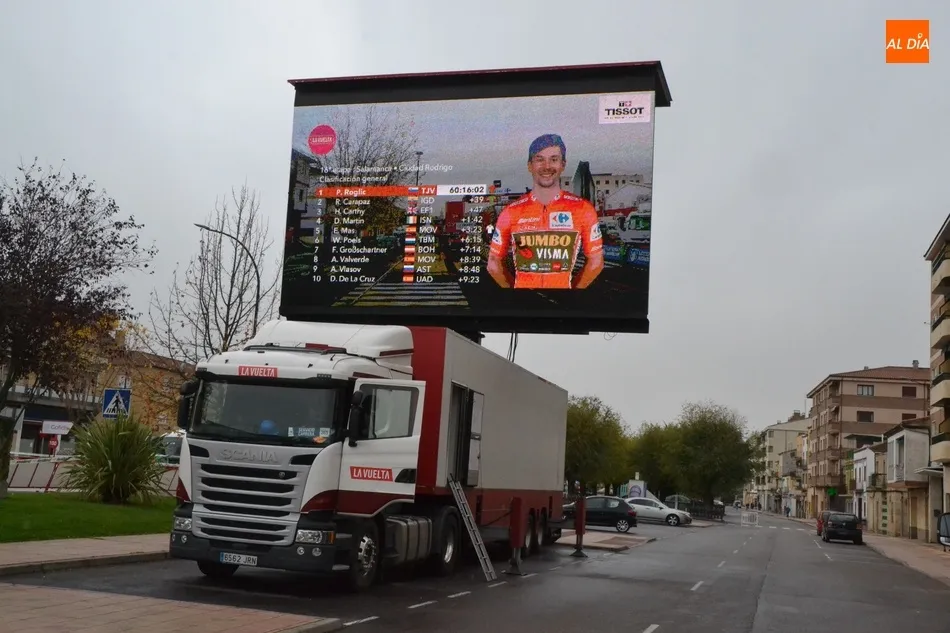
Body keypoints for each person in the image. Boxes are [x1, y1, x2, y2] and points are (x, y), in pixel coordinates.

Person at [487, 134, 604, 290]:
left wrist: (572, 295)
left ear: (563, 164)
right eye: (540, 159)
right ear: (530, 166)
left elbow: (596, 261)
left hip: (562, 302)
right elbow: (493, 262)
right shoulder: (511, 212)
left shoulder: (583, 209)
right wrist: (514, 294)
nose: (547, 166)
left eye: (554, 159)